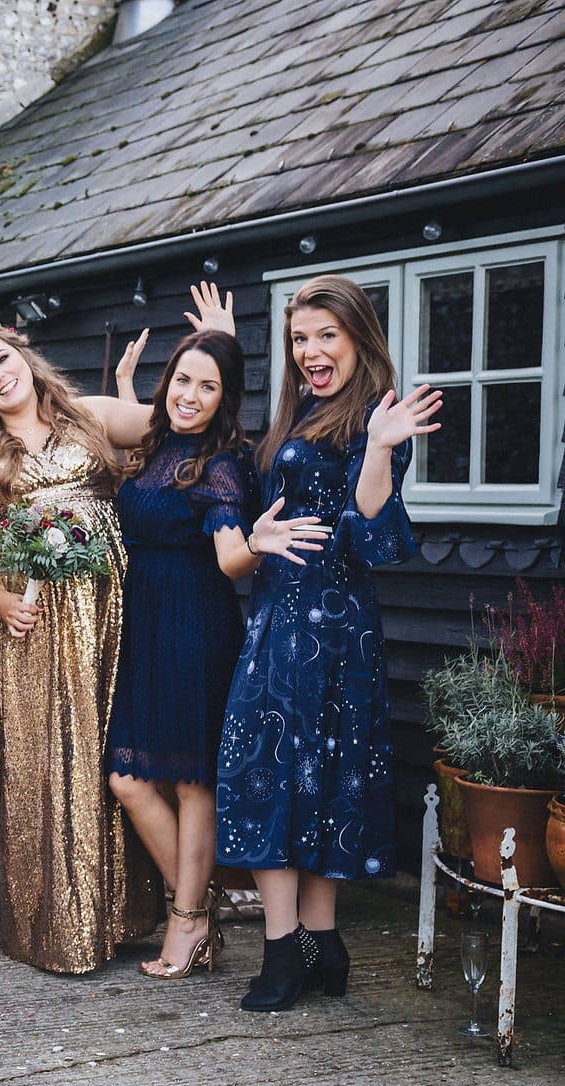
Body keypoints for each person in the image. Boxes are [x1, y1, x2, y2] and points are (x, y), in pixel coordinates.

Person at [216, 274, 439, 1011]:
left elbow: (373, 528)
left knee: (300, 777)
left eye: (325, 336)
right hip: (279, 623)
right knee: (286, 777)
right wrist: (255, 536)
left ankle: (290, 953)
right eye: (299, 338)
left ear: (357, 338)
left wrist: (378, 448)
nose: (310, 351)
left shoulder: (379, 416)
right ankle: (317, 943)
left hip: (335, 633)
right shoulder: (298, 410)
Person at [0, 319, 185, 974]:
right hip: (26, 622)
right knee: (40, 764)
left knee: (112, 756)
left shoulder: (92, 415)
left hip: (108, 617)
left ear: (21, 351)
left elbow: (179, 427)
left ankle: (130, 914)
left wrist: (135, 388)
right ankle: (52, 924)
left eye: (0, 360)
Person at [106, 318, 330, 980]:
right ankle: (195, 910)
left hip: (192, 625)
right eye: (183, 380)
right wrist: (125, 378)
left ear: (225, 398)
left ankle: (187, 920)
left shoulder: (222, 466)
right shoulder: (155, 443)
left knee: (190, 781)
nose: (191, 395)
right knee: (129, 777)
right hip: (145, 622)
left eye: (208, 386)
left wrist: (254, 544)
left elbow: (230, 554)